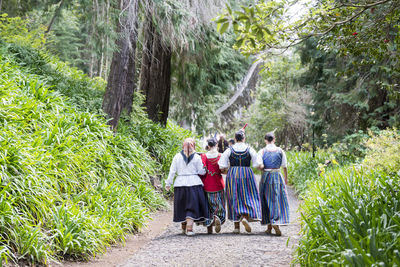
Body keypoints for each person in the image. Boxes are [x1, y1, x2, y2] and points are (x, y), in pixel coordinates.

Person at [218, 129, 262, 233]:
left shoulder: (229, 150)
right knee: (248, 196)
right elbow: (257, 163)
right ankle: (245, 218)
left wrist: (225, 170)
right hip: (247, 173)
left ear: (235, 138)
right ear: (244, 138)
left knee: (234, 197)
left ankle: (236, 227)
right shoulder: (250, 149)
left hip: (233, 173)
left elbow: (222, 166)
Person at [165, 138, 208, 236]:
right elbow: (201, 171)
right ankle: (189, 229)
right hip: (194, 183)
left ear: (182, 146)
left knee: (182, 206)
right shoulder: (197, 157)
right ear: (194, 146)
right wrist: (204, 170)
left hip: (180, 184)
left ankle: (184, 227)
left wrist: (168, 183)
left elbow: (172, 171)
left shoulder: (177, 157)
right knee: (192, 206)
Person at [257, 132, 289, 236]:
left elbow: (260, 165)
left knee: (266, 200)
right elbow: (284, 166)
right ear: (274, 139)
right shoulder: (280, 151)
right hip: (277, 175)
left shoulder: (262, 151)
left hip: (266, 176)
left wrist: (260, 167)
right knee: (277, 200)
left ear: (265, 140)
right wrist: (286, 178)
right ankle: (272, 225)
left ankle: (271, 224)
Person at [200, 137, 226, 234]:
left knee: (208, 205)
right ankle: (217, 217)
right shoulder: (221, 155)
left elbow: (202, 170)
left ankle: (209, 227)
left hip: (207, 184)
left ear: (208, 146)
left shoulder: (203, 156)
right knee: (219, 203)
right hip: (218, 183)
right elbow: (223, 169)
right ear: (216, 145)